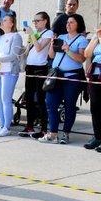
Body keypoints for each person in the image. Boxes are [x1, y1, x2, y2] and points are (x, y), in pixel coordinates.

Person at [40, 15, 88, 144]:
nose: (68, 24)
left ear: (78, 24)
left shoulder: (81, 40)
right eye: (67, 22)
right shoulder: (61, 37)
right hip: (56, 76)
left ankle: (65, 134)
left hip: (72, 78)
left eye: (71, 22)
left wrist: (68, 50)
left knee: (69, 106)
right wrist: (51, 45)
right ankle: (53, 133)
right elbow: (51, 56)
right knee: (51, 104)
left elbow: (81, 59)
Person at [0, 15, 24, 137]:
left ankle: (7, 127)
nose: (2, 22)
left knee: (6, 100)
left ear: (12, 23)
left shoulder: (16, 36)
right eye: (2, 20)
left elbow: (12, 56)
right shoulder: (1, 37)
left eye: (5, 20)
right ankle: (2, 125)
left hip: (10, 71)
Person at [19, 12, 53, 138]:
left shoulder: (48, 33)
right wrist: (29, 39)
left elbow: (39, 49)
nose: (36, 23)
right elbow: (28, 52)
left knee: (40, 98)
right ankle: (30, 126)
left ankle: (44, 128)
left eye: (38, 21)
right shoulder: (35, 34)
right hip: (30, 67)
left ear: (45, 21)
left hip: (40, 68)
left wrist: (32, 34)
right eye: (34, 21)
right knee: (28, 97)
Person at [83, 27, 101, 151]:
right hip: (95, 72)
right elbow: (87, 54)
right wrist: (96, 38)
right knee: (95, 106)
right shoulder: (97, 36)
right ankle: (97, 137)